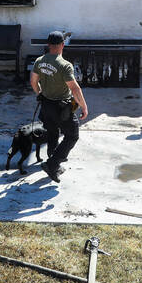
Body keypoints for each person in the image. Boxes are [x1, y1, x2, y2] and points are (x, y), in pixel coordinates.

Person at [29, 31, 89, 183]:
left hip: (46, 105)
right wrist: (84, 107)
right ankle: (52, 164)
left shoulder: (39, 61)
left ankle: (52, 158)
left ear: (48, 45)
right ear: (63, 45)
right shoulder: (65, 65)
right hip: (62, 107)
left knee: (52, 132)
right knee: (72, 136)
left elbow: (33, 82)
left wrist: (40, 94)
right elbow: (75, 89)